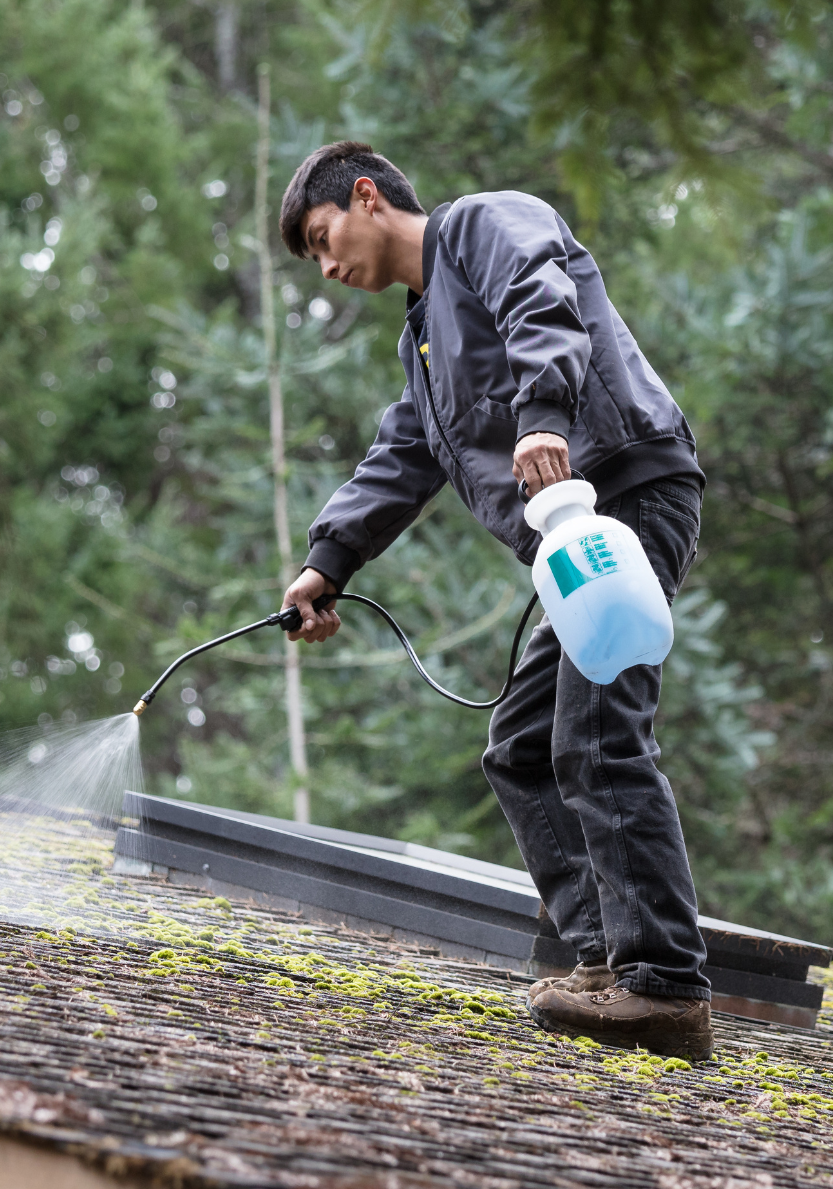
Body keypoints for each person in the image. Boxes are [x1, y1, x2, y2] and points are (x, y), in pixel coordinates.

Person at [276, 141, 716, 1062]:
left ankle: (665, 984)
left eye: (324, 238)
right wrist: (329, 563)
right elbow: (402, 456)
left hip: (623, 497)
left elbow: (540, 301)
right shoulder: (423, 341)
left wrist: (544, 420)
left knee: (596, 734)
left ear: (366, 197)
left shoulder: (481, 225)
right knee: (521, 747)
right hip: (572, 547)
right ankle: (607, 963)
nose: (327, 267)